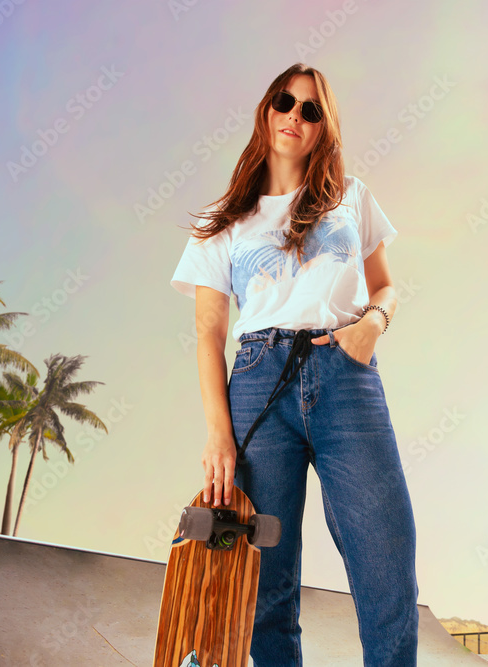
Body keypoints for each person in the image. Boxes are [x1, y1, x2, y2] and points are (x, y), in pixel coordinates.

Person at [169, 62, 419, 666]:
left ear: (322, 128)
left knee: (386, 559)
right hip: (257, 385)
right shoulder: (221, 221)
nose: (294, 117)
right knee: (265, 582)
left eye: (311, 110)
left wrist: (372, 326)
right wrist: (217, 435)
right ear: (266, 109)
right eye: (286, 102)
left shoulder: (350, 197)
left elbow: (386, 287)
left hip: (346, 376)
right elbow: (208, 334)